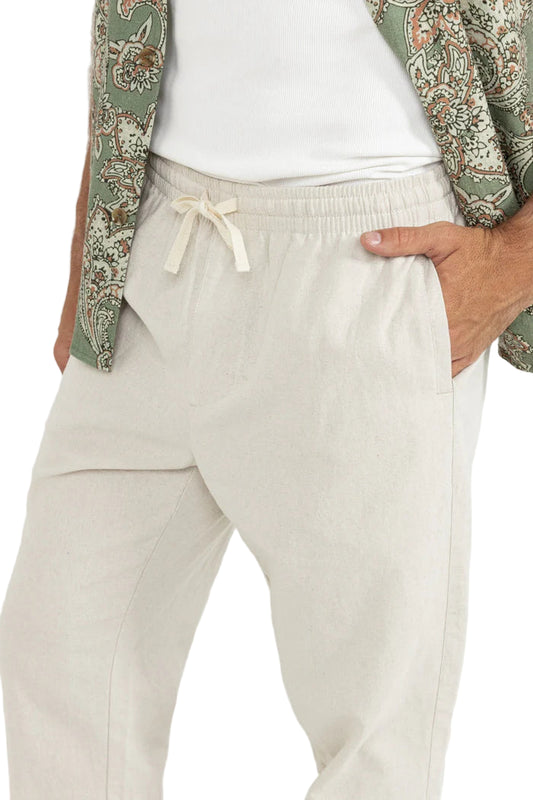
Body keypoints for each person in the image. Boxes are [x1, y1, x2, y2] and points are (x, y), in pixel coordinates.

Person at [0, 1, 531, 798]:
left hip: (368, 260)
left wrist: (514, 263)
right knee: (62, 657)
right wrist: (92, 234)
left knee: (371, 734)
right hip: (158, 234)